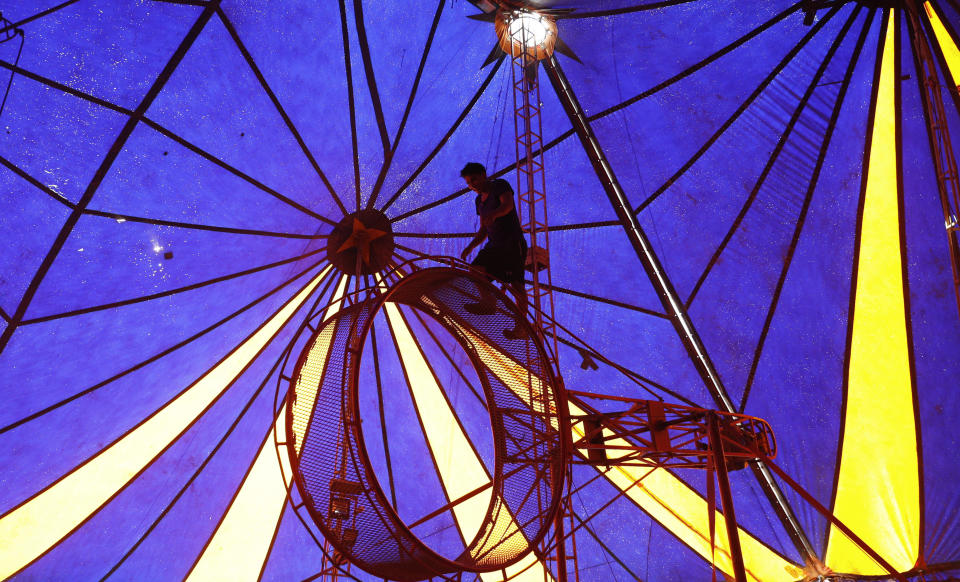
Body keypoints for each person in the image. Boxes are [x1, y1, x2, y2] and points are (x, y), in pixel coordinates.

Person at [458, 162, 528, 337]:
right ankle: (488, 303)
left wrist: (494, 214)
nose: (472, 185)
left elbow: (508, 206)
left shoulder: (499, 185)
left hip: (511, 243)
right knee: (475, 269)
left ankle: (521, 328)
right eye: (468, 182)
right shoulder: (478, 202)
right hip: (494, 245)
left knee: (517, 286)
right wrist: (471, 246)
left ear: (483, 174)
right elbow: (484, 229)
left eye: (474, 179)